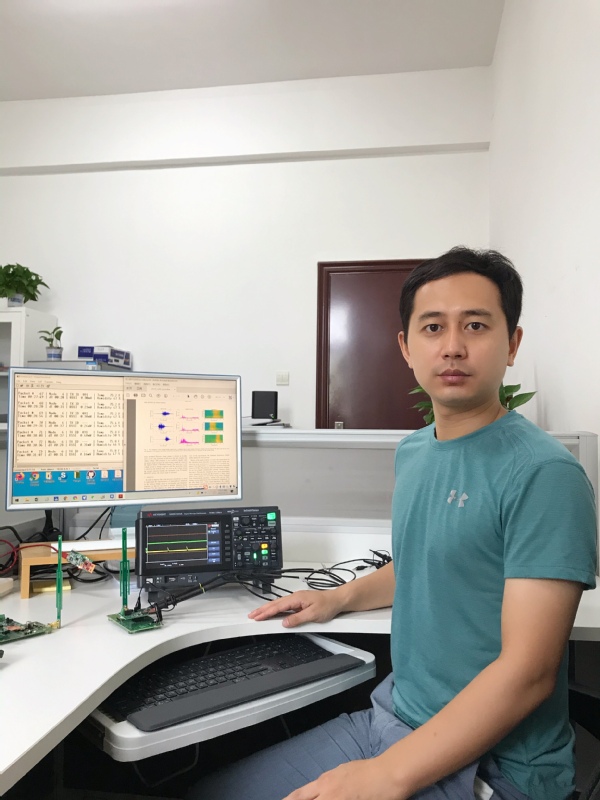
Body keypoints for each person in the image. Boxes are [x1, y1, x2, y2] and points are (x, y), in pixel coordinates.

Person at [185, 246, 597, 800]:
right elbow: (420, 564)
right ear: (406, 347)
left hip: (495, 767)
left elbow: (529, 673)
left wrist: (385, 776)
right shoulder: (415, 452)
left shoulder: (544, 474)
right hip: (395, 720)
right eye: (433, 327)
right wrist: (338, 598)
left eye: (476, 325)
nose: (452, 346)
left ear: (513, 343)